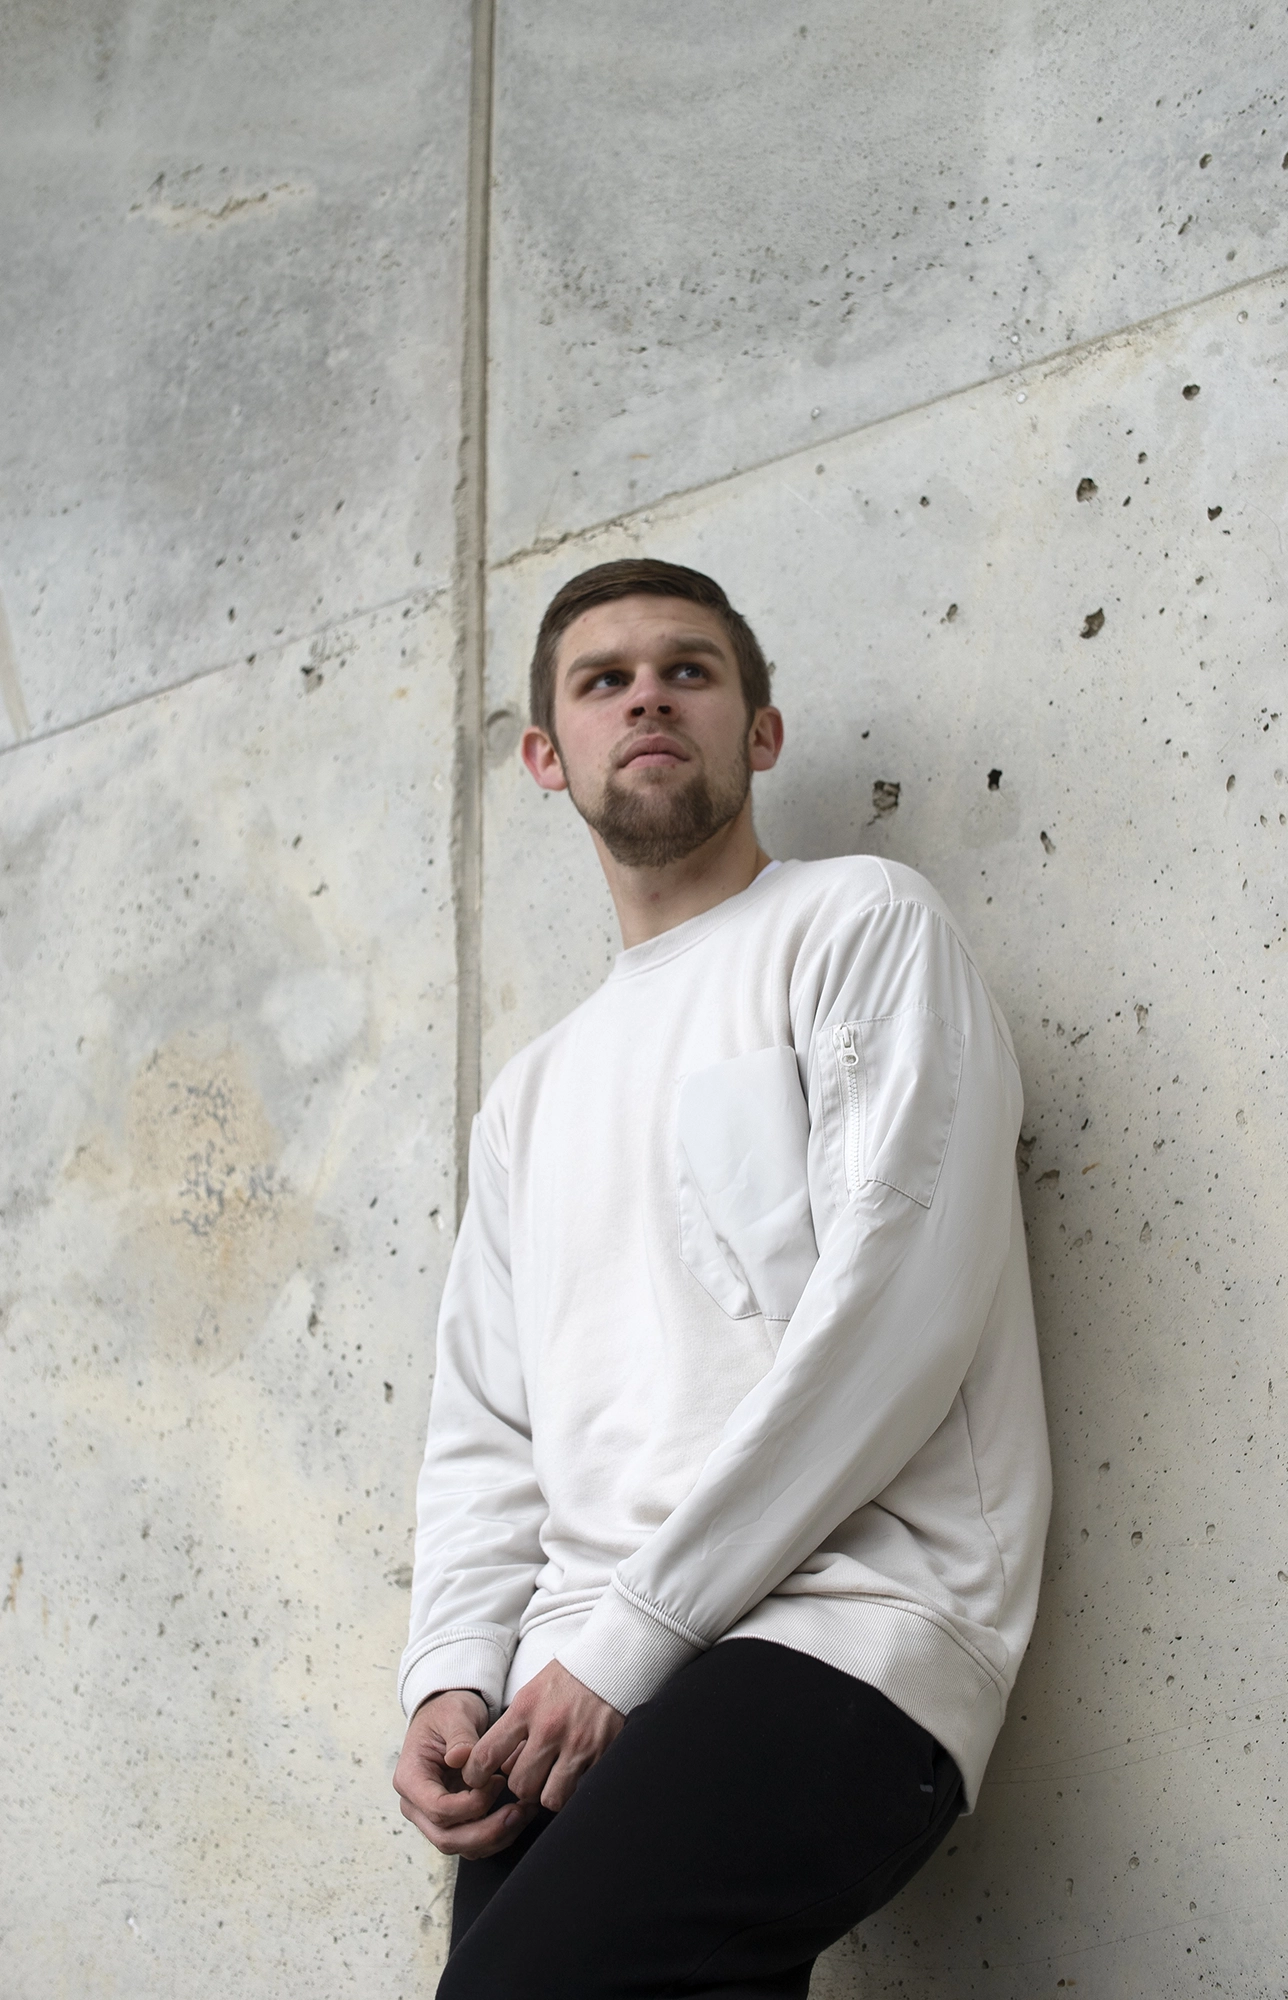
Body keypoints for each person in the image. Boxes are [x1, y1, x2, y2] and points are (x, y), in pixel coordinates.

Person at [393, 558, 1051, 1998]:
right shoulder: (528, 1095)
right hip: (563, 1684)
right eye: (603, 678)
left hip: (845, 1622)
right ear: (543, 756)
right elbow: (485, 1435)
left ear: (758, 730)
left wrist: (638, 1633)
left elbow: (894, 1313)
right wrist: (452, 1670)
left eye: (688, 670)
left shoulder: (860, 929)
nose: (646, 695)